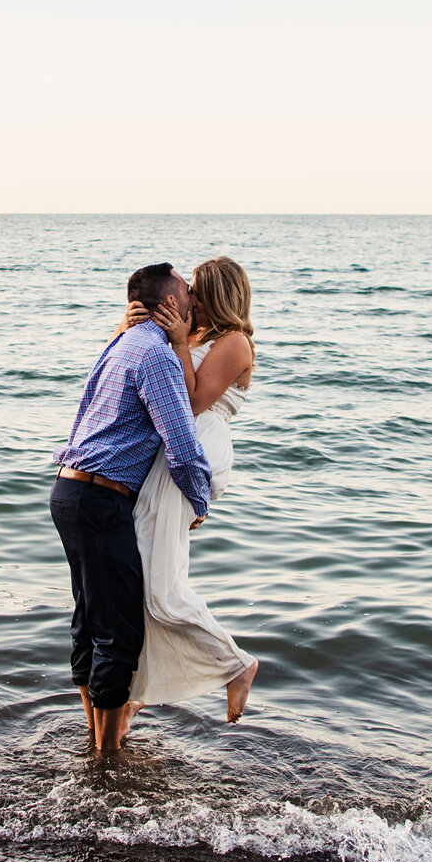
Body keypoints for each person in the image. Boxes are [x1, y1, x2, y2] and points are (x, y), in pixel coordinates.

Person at [50, 263, 212, 753]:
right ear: (169, 304)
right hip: (100, 498)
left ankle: (96, 740)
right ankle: (106, 757)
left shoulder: (122, 343)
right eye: (187, 292)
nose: (193, 300)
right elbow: (181, 442)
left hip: (70, 492)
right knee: (119, 631)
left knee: (90, 622)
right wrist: (198, 497)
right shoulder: (156, 356)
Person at [118, 257, 260, 724]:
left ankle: (236, 665)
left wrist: (178, 341)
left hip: (198, 444)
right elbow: (127, 369)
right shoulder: (194, 335)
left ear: (218, 294)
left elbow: (193, 399)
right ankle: (140, 684)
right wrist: (127, 328)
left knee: (161, 585)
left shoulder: (235, 342)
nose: (189, 297)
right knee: (143, 573)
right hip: (175, 448)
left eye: (197, 289)